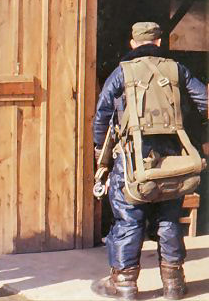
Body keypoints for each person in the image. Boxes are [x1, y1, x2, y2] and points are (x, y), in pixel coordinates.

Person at [92, 22, 207, 300]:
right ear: (158, 42)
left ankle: (125, 287)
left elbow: (102, 114)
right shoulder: (177, 69)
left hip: (133, 159)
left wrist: (100, 151)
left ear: (133, 43)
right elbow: (205, 102)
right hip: (172, 158)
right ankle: (174, 285)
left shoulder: (122, 71)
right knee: (169, 218)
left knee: (129, 220)